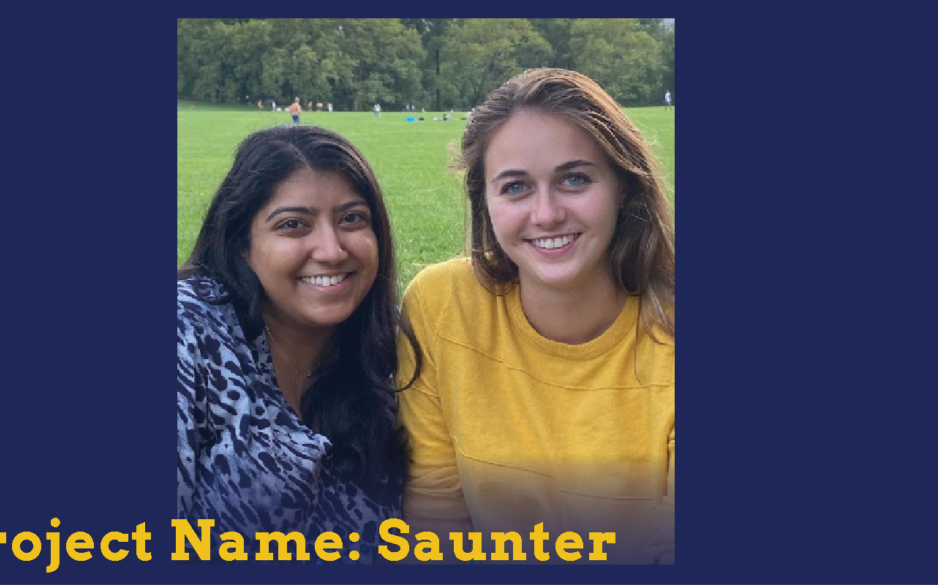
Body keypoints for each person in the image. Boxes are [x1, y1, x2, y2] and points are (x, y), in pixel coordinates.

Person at [396, 68, 675, 564]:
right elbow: (437, 517)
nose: (545, 214)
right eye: (515, 187)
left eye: (574, 179)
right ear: (485, 202)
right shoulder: (442, 306)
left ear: (624, 189)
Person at [178, 125, 419, 563]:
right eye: (293, 225)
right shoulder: (187, 334)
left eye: (352, 219)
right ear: (241, 246)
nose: (331, 250)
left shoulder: (388, 359)